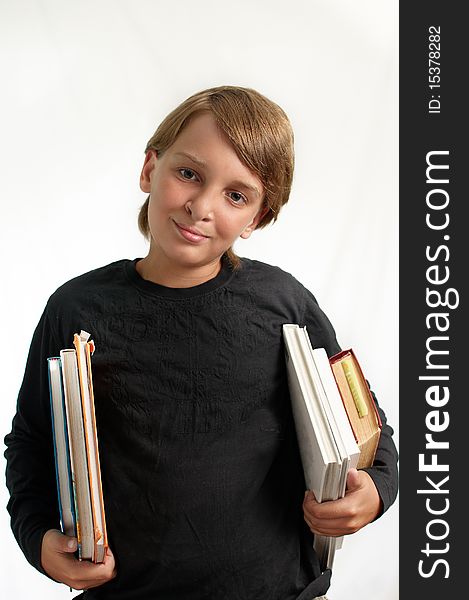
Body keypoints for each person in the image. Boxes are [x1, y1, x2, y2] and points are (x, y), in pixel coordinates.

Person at [4, 85, 398, 599]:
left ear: (257, 217)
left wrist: (374, 491)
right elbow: (32, 443)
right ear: (150, 169)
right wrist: (38, 540)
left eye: (236, 195)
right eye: (188, 174)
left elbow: (371, 432)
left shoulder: (284, 305)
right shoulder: (76, 309)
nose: (202, 207)